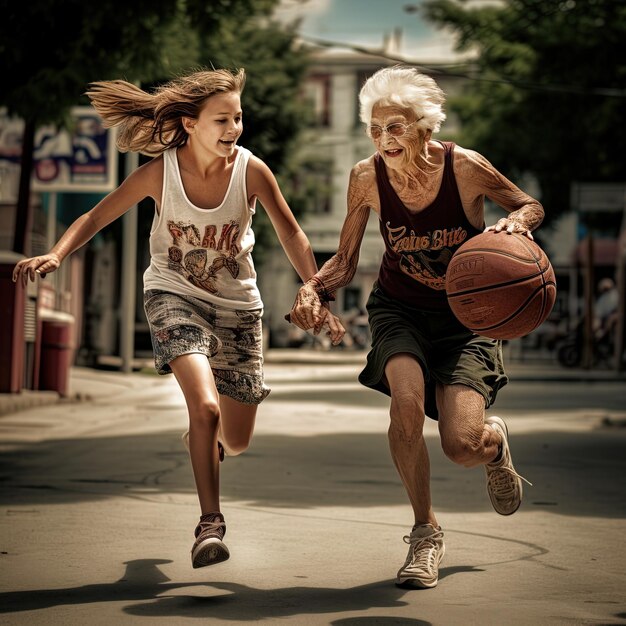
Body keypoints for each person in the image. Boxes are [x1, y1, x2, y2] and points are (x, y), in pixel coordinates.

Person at [13, 67, 344, 569]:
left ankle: (203, 441)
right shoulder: (158, 173)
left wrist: (316, 289)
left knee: (235, 439)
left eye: (238, 117)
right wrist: (57, 254)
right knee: (205, 409)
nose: (233, 128)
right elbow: (97, 216)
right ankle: (209, 523)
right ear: (190, 124)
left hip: (238, 309)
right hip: (173, 296)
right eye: (221, 120)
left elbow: (293, 234)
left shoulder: (252, 171)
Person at [289, 65, 540, 589]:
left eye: (396, 127)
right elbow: (346, 258)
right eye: (376, 129)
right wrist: (314, 288)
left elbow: (529, 203)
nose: (384, 139)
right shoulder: (366, 178)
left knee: (460, 445)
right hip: (398, 307)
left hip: (465, 320)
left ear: (423, 126)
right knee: (405, 400)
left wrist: (516, 224)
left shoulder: (465, 168)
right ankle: (426, 532)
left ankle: (492, 443)